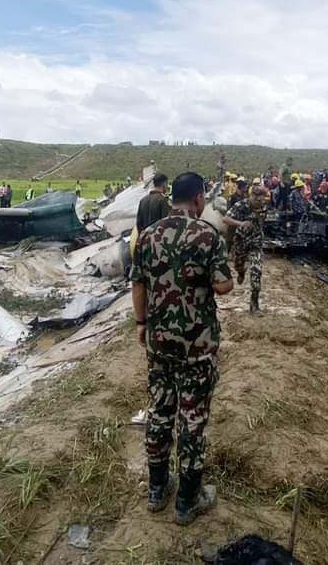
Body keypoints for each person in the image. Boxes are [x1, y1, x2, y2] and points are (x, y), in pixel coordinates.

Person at [129, 172, 233, 524]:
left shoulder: (148, 235)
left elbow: (138, 285)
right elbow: (223, 286)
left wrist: (141, 323)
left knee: (160, 411)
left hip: (159, 343)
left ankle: (157, 489)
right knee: (192, 418)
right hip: (197, 347)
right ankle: (188, 500)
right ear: (199, 199)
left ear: (173, 198)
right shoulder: (208, 235)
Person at [223, 184, 267, 314]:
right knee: (239, 265)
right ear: (250, 196)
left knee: (256, 270)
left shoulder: (264, 207)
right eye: (255, 197)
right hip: (241, 241)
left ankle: (254, 303)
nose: (258, 200)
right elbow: (225, 218)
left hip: (256, 242)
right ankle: (241, 272)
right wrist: (240, 223)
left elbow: (262, 221)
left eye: (261, 197)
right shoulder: (241, 205)